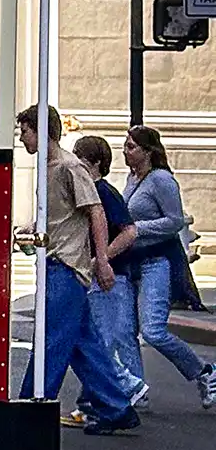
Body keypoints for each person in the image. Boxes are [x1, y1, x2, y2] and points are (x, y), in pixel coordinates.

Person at [15, 106, 137, 432]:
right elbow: (61, 218)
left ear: (40, 130)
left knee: (51, 340)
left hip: (67, 267)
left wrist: (103, 261)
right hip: (58, 262)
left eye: (25, 130)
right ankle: (116, 406)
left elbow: (96, 213)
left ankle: (30, 408)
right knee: (84, 345)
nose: (22, 137)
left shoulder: (70, 168)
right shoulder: (49, 167)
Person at [123, 125, 216, 408]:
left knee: (153, 330)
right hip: (133, 263)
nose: (125, 152)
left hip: (157, 262)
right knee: (126, 330)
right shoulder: (132, 177)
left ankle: (205, 372)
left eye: (131, 147)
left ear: (147, 151)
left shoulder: (161, 180)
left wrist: (136, 228)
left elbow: (174, 221)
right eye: (125, 146)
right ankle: (135, 390)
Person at [71, 135, 147, 411]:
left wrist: (101, 259)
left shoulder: (103, 192)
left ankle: (127, 387)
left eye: (80, 159)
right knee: (92, 340)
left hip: (110, 278)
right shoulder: (91, 191)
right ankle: (92, 400)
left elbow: (129, 231)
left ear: (95, 163)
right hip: (101, 275)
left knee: (99, 341)